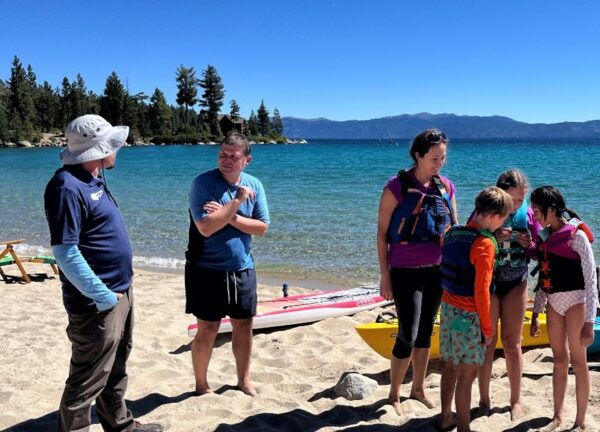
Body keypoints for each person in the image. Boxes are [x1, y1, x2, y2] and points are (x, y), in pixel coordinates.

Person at [44, 115, 163, 432]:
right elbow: (65, 252)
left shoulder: (93, 178)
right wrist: (103, 296)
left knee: (116, 366)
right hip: (97, 302)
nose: (117, 150)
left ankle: (120, 425)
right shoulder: (66, 187)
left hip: (119, 291)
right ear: (96, 149)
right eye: (112, 144)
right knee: (88, 376)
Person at [376, 128, 458, 413]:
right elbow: (382, 233)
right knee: (407, 333)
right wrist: (385, 275)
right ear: (418, 155)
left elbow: (453, 231)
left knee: (426, 332)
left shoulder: (446, 187)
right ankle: (394, 393)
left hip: (437, 270)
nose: (440, 163)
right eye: (435, 158)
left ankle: (418, 388)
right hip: (404, 270)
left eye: (443, 158)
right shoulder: (396, 186)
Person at [186, 132, 270, 396]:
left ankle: (244, 381)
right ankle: (201, 385)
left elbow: (261, 228)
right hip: (205, 269)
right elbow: (206, 227)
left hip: (242, 268)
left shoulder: (254, 184)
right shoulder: (202, 183)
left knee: (244, 327)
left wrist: (229, 215)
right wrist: (237, 202)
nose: (226, 160)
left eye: (233, 156)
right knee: (207, 329)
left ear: (247, 160)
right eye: (222, 154)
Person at [438, 186, 513, 432]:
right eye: (503, 218)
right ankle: (464, 427)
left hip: (447, 309)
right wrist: (488, 328)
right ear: (492, 215)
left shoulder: (452, 232)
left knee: (449, 366)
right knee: (467, 375)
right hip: (469, 316)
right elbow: (481, 292)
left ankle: (445, 417)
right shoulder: (485, 245)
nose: (503, 223)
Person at [529, 186, 597, 432]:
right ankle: (557, 416)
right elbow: (542, 280)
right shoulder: (544, 238)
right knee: (559, 360)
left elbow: (591, 281)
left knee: (579, 363)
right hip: (554, 304)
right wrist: (536, 313)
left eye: (537, 210)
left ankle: (579, 420)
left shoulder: (576, 236)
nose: (534, 215)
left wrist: (590, 321)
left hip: (577, 301)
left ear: (552, 209)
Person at [477, 169, 541, 419]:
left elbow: (538, 250)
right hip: (490, 283)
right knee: (488, 343)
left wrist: (531, 245)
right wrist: (492, 234)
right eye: (513, 199)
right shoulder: (488, 208)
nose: (516, 204)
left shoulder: (528, 215)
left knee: (513, 344)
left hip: (517, 281)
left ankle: (516, 401)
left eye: (520, 199)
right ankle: (483, 399)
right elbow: (471, 239)